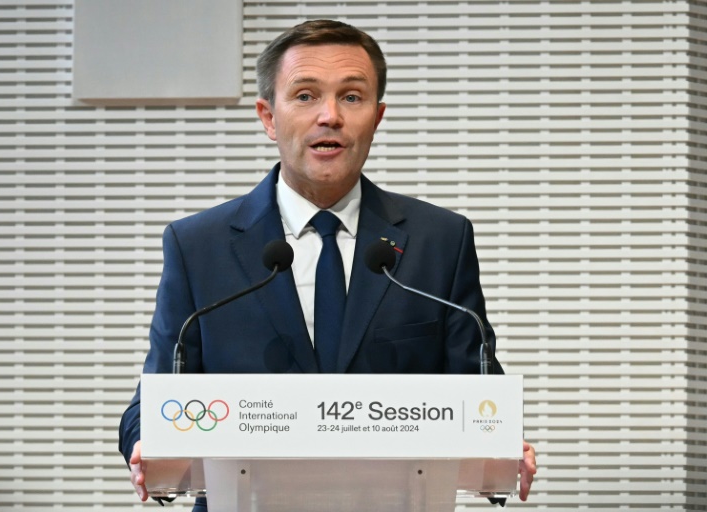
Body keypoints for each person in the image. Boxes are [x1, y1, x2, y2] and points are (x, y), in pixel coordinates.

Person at [119, 19, 537, 508]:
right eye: (305, 96)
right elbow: (154, 399)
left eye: (352, 97)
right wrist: (146, 442)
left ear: (377, 117)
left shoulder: (439, 240)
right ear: (268, 116)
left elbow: (478, 388)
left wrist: (504, 441)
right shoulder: (199, 246)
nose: (330, 116)